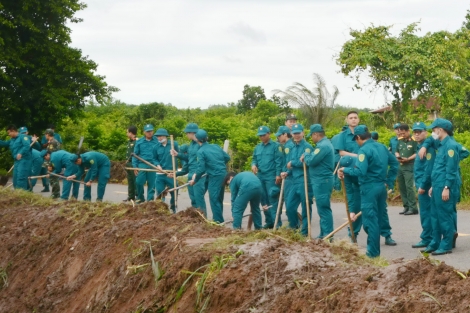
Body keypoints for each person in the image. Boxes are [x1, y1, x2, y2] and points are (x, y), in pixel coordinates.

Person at [338, 125, 398, 258]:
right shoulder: (381, 146)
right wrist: (389, 181)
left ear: (358, 137)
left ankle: (372, 254)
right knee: (378, 218)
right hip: (381, 187)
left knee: (370, 222)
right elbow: (395, 164)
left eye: (356, 139)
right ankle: (374, 251)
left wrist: (344, 170)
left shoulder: (363, 151)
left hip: (369, 188)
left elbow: (360, 171)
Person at [421, 119, 461, 255]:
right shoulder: (441, 145)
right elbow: (439, 168)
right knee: (435, 216)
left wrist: (446, 187)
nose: (433, 132)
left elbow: (451, 170)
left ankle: (446, 245)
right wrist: (433, 186)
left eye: (434, 129)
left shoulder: (450, 146)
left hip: (444, 186)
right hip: (437, 186)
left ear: (440, 129)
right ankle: (435, 242)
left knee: (445, 216)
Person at [191, 129, 230, 223]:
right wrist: (218, 165)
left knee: (214, 199)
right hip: (223, 174)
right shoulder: (215, 146)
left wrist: (195, 179)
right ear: (207, 138)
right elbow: (227, 158)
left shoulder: (200, 151)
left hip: (215, 176)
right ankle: (220, 220)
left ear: (197, 140)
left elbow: (201, 168)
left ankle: (218, 221)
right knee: (219, 198)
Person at [303, 124, 334, 239]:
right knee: (321, 209)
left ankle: (328, 235)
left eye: (312, 135)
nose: (311, 138)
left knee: (324, 208)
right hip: (320, 180)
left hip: (322, 181)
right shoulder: (322, 145)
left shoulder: (323, 146)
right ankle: (323, 234)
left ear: (316, 134)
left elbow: (311, 161)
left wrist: (306, 154)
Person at [282, 123, 313, 236]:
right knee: (290, 207)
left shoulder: (308, 147)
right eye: (294, 133)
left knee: (306, 207)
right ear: (292, 134)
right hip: (293, 180)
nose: (297, 135)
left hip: (304, 180)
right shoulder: (293, 147)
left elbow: (305, 161)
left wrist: (293, 163)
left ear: (303, 133)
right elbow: (290, 165)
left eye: (299, 133)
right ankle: (294, 229)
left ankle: (305, 232)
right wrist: (287, 172)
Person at [336, 111, 362, 240]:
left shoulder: (363, 133)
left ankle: (386, 234)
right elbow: (341, 152)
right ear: (347, 120)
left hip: (362, 170)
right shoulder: (343, 135)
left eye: (355, 118)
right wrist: (357, 156)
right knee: (353, 202)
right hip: (348, 169)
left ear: (359, 119)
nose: (353, 120)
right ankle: (353, 233)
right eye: (351, 118)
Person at [171, 123, 207, 215]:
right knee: (193, 199)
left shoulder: (201, 144)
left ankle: (203, 219)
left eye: (187, 133)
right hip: (191, 173)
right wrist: (177, 154)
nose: (186, 135)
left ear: (192, 133)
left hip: (198, 174)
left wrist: (198, 174)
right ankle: (196, 217)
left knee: (199, 199)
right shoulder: (191, 144)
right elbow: (189, 158)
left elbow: (204, 160)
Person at [251, 126, 283, 228]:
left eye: (263, 135)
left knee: (272, 199)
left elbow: (279, 161)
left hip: (271, 176)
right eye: (260, 136)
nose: (261, 137)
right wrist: (253, 164)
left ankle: (276, 223)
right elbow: (254, 159)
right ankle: (269, 221)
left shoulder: (276, 146)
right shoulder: (258, 147)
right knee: (263, 199)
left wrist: (278, 174)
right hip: (260, 176)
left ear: (269, 134)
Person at [411, 122, 435, 249]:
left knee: (426, 213)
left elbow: (428, 169)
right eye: (415, 132)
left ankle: (427, 238)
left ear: (425, 132)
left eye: (419, 132)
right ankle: (428, 237)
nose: (417, 134)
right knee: (425, 212)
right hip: (420, 183)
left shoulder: (428, 149)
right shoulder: (419, 146)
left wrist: (423, 185)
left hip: (425, 186)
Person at [153, 128, 179, 213]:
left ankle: (173, 207)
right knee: (160, 193)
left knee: (174, 191)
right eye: (157, 137)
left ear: (165, 136)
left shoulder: (173, 144)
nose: (159, 138)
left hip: (171, 173)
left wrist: (176, 170)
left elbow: (179, 156)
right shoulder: (156, 147)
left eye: (160, 136)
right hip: (160, 173)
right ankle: (161, 210)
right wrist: (158, 165)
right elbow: (154, 159)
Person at [132, 124, 160, 203]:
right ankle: (140, 198)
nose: (149, 133)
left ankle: (150, 201)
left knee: (152, 184)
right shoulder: (139, 142)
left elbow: (160, 153)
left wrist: (159, 165)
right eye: (148, 131)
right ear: (144, 132)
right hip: (142, 164)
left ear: (153, 131)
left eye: (151, 131)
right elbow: (135, 155)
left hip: (153, 164)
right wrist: (135, 166)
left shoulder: (157, 141)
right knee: (139, 182)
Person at [0, 125, 32, 190]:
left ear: (13, 131)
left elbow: (27, 146)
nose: (8, 134)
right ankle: (17, 194)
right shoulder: (12, 140)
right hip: (17, 161)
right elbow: (4, 143)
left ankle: (21, 194)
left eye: (9, 132)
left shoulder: (23, 137)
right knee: (15, 179)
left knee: (21, 178)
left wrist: (21, 153)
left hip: (24, 160)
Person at [396, 124, 418, 215]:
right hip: (400, 166)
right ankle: (406, 206)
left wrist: (408, 158)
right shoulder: (400, 141)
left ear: (408, 131)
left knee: (409, 187)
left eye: (403, 133)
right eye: (400, 133)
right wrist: (397, 156)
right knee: (402, 187)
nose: (402, 135)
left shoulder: (414, 141)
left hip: (409, 165)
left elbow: (417, 153)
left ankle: (413, 208)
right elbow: (397, 150)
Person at [274, 125, 291, 227]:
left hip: (288, 176)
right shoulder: (283, 145)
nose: (278, 138)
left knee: (289, 201)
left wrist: (282, 173)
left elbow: (285, 162)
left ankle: (293, 224)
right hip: (284, 175)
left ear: (285, 134)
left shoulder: (288, 146)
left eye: (280, 135)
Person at [39, 125, 63, 192]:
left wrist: (49, 165)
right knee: (53, 179)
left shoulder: (52, 142)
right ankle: (55, 193)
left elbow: (51, 154)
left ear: (48, 134)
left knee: (53, 179)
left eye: (45, 134)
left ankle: (55, 194)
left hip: (53, 162)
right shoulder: (54, 141)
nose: (45, 136)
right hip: (54, 161)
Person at [124, 126, 138, 202]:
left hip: (133, 163)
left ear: (131, 132)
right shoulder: (130, 141)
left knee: (135, 180)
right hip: (128, 163)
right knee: (130, 180)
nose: (127, 133)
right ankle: (131, 196)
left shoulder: (137, 141)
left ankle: (137, 196)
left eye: (127, 132)